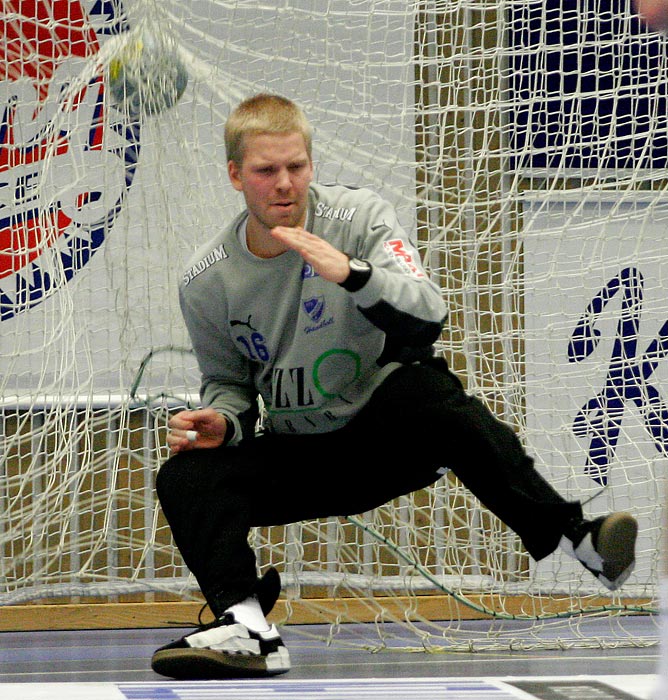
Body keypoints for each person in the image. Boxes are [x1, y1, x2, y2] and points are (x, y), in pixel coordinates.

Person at [150, 93, 638, 680]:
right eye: (266, 171)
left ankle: (576, 537)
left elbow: (429, 310)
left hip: (381, 441)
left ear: (310, 163)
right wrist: (222, 421)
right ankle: (248, 627)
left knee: (426, 391)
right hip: (298, 454)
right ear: (235, 175)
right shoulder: (207, 280)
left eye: (297, 167)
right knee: (184, 474)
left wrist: (353, 274)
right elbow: (229, 383)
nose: (285, 184)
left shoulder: (357, 219)